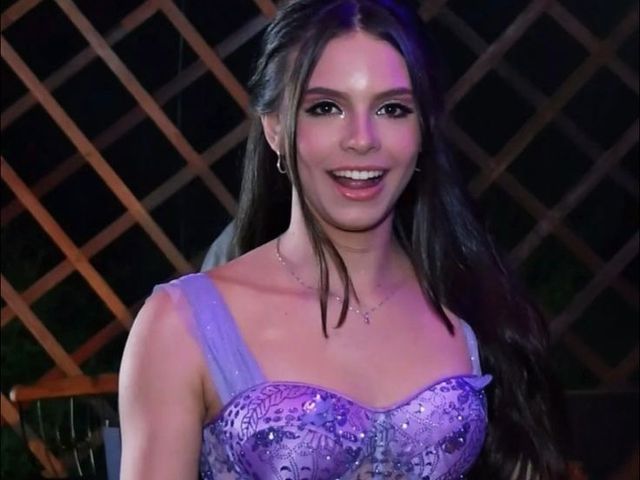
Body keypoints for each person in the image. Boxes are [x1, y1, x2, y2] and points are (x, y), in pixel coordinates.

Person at [118, 1, 568, 478]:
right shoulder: (182, 325)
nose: (362, 139)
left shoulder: (470, 302)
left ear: (424, 130)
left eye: (392, 109)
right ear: (275, 129)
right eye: (326, 108)